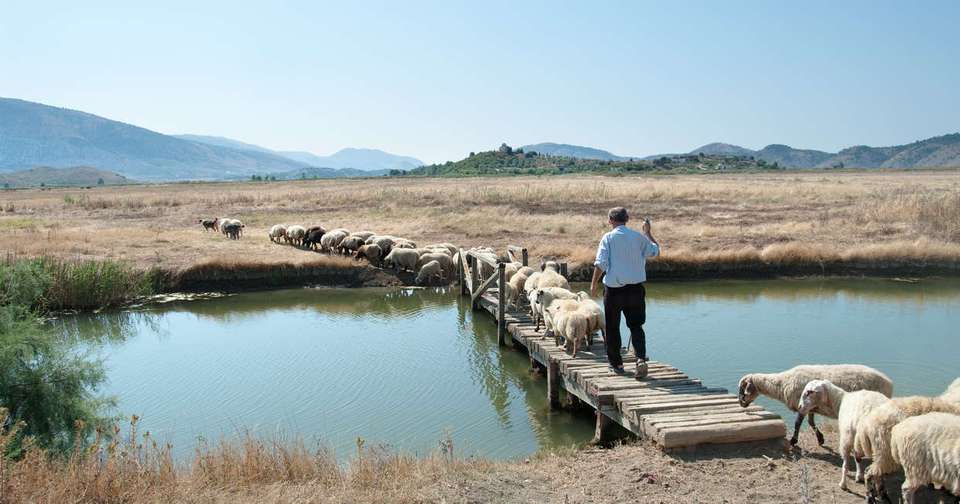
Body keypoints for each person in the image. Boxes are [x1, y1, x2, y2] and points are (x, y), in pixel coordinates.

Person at [590, 207, 660, 379]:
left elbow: (601, 263)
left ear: (610, 220)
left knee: (612, 328)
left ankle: (617, 365)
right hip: (636, 290)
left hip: (614, 292)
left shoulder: (608, 238)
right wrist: (647, 233)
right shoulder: (639, 237)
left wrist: (593, 284)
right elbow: (655, 251)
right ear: (627, 219)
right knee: (636, 326)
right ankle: (640, 359)